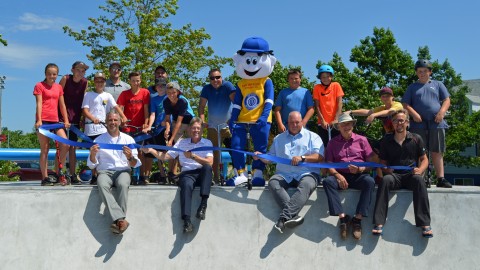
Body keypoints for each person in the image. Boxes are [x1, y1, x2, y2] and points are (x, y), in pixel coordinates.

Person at [254, 111, 323, 233]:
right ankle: (293, 216)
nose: (294, 125)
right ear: (287, 123)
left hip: (307, 173)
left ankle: (283, 218)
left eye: (297, 122)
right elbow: (270, 158)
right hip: (284, 174)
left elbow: (320, 157)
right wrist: (260, 156)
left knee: (306, 184)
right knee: (273, 182)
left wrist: (302, 158)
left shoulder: (313, 137)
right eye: (291, 122)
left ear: (302, 122)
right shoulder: (278, 139)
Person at [142, 117, 213, 233]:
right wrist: (151, 150)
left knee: (207, 168)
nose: (196, 130)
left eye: (198, 128)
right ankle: (187, 221)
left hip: (202, 173)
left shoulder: (207, 142)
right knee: (186, 185)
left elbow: (210, 162)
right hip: (187, 173)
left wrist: (194, 157)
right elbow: (165, 157)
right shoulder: (182, 143)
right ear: (189, 129)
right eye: (194, 128)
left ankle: (203, 204)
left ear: (202, 130)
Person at [372, 109, 433, 238]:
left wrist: (420, 170)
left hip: (411, 176)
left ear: (407, 123)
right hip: (394, 176)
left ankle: (425, 224)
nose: (398, 123)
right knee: (385, 180)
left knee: (419, 181)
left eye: (401, 120)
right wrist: (386, 169)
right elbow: (382, 161)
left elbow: (424, 159)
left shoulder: (416, 138)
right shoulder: (386, 140)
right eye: (395, 121)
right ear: (392, 124)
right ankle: (378, 223)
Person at [322, 113, 375, 240]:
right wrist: (337, 175)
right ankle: (343, 218)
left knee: (369, 181)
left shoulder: (362, 140)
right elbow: (328, 164)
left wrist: (361, 169)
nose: (346, 126)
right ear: (338, 127)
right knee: (328, 182)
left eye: (349, 124)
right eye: (343, 124)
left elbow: (372, 163)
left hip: (359, 175)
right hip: (340, 176)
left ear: (353, 125)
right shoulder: (332, 143)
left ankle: (357, 219)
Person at [87, 111, 141, 234]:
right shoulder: (98, 140)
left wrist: (130, 157)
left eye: (115, 120)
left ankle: (118, 220)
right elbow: (91, 165)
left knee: (123, 184)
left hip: (123, 171)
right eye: (110, 120)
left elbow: (135, 164)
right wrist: (92, 154)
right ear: (106, 122)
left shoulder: (128, 139)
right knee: (102, 184)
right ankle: (120, 220)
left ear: (120, 122)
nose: (112, 123)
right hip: (105, 172)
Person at [402, 59, 452, 188]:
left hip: (436, 122)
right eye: (419, 71)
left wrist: (442, 112)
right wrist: (414, 114)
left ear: (430, 72)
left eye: (425, 71)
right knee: (419, 152)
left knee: (437, 150)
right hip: (418, 124)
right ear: (416, 73)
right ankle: (421, 178)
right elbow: (405, 104)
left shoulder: (438, 84)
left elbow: (446, 100)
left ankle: (441, 178)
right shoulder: (412, 87)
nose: (422, 73)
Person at [82, 72, 128, 184]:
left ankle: (102, 174)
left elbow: (116, 106)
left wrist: (123, 116)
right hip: (91, 129)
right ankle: (94, 176)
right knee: (93, 152)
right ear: (94, 82)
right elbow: (85, 110)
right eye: (97, 81)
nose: (99, 83)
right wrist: (93, 118)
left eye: (102, 81)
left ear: (104, 82)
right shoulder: (88, 95)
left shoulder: (107, 95)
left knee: (102, 153)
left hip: (103, 129)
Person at [34, 63, 70, 186]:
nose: (52, 76)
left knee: (65, 144)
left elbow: (62, 105)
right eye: (49, 74)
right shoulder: (39, 86)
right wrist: (39, 120)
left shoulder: (59, 87)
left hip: (55, 121)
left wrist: (66, 120)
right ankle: (45, 177)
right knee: (45, 148)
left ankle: (56, 172)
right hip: (43, 120)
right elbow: (39, 103)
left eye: (54, 74)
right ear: (45, 74)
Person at [198, 68, 236, 184]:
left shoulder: (228, 86)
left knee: (234, 150)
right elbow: (201, 107)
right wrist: (202, 121)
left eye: (217, 77)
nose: (215, 80)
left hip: (227, 127)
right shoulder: (206, 89)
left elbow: (236, 103)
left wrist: (232, 119)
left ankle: (238, 174)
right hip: (213, 127)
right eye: (212, 78)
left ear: (221, 77)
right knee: (213, 153)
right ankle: (215, 178)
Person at [117, 71, 150, 184]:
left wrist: (146, 123)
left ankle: (142, 176)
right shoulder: (124, 94)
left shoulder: (145, 92)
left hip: (140, 128)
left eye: (138, 80)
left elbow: (146, 110)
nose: (136, 83)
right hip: (127, 128)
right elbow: (120, 108)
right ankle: (128, 176)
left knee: (141, 152)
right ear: (130, 82)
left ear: (140, 81)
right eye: (133, 81)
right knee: (127, 152)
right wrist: (122, 119)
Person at [59, 61, 89, 184]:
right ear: (72, 70)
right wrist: (62, 117)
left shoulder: (85, 82)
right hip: (62, 117)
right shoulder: (65, 79)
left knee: (73, 147)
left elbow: (83, 101)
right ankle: (59, 173)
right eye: (78, 69)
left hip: (75, 116)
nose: (80, 72)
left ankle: (72, 174)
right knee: (63, 146)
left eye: (83, 70)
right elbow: (58, 97)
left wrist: (82, 118)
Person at [162, 81, 195, 182]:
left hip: (189, 121)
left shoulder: (182, 101)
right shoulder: (166, 101)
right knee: (176, 146)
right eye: (169, 93)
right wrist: (167, 129)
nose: (171, 95)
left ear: (178, 92)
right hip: (176, 122)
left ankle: (188, 171)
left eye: (173, 92)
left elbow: (180, 122)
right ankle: (172, 172)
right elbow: (168, 119)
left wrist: (171, 139)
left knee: (188, 145)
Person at [143, 77, 169, 183]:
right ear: (156, 87)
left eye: (163, 85)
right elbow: (152, 114)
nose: (161, 87)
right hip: (158, 129)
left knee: (172, 153)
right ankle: (162, 175)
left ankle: (174, 174)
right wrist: (149, 126)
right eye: (159, 86)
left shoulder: (170, 96)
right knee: (158, 152)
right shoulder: (154, 99)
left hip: (170, 128)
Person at [312, 65, 344, 146]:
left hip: (336, 122)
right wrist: (322, 120)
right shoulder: (317, 88)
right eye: (323, 77)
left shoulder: (336, 85)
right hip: (323, 124)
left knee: (338, 145)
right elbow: (317, 106)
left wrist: (336, 119)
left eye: (328, 76)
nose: (326, 79)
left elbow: (339, 103)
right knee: (324, 146)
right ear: (320, 78)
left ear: (331, 76)